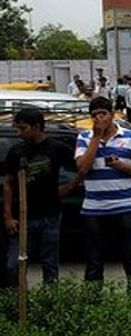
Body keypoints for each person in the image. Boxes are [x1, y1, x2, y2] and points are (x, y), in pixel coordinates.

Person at [75, 97, 131, 289]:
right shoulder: (84, 137)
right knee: (94, 260)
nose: (99, 118)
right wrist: (96, 138)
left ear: (112, 115)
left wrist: (121, 166)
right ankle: (92, 302)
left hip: (125, 207)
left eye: (103, 114)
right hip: (94, 209)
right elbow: (82, 169)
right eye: (94, 115)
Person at [3, 109, 80, 286]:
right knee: (14, 265)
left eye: (23, 128)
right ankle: (18, 304)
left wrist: (69, 186)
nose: (19, 133)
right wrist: (8, 216)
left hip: (50, 216)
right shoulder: (17, 151)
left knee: (50, 266)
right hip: (23, 218)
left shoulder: (56, 148)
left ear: (37, 127)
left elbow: (79, 168)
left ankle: (49, 304)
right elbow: (8, 184)